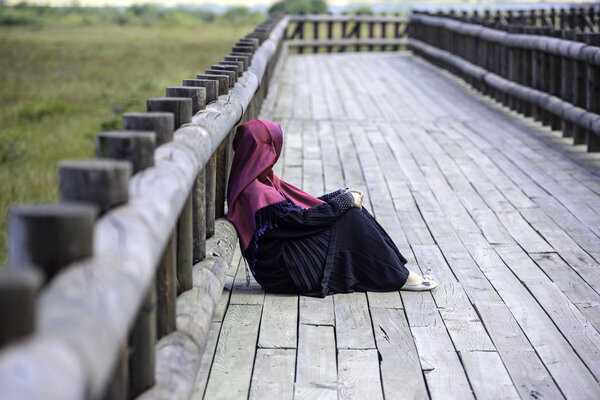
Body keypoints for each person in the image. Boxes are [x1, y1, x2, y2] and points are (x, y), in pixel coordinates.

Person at [226, 119, 437, 298]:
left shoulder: (254, 181)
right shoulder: (255, 192)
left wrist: (339, 196)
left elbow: (293, 212)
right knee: (351, 218)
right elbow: (301, 220)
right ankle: (399, 277)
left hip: (282, 260)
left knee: (351, 210)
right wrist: (343, 201)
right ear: (265, 150)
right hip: (284, 273)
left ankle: (398, 271)